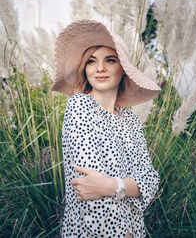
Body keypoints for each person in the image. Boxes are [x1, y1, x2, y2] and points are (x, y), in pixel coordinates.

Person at [52, 20, 161, 238]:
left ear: (123, 69)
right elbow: (90, 192)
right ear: (85, 68)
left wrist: (112, 185)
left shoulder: (130, 119)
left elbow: (151, 180)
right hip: (94, 232)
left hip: (137, 231)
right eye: (91, 62)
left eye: (110, 60)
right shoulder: (80, 107)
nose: (100, 68)